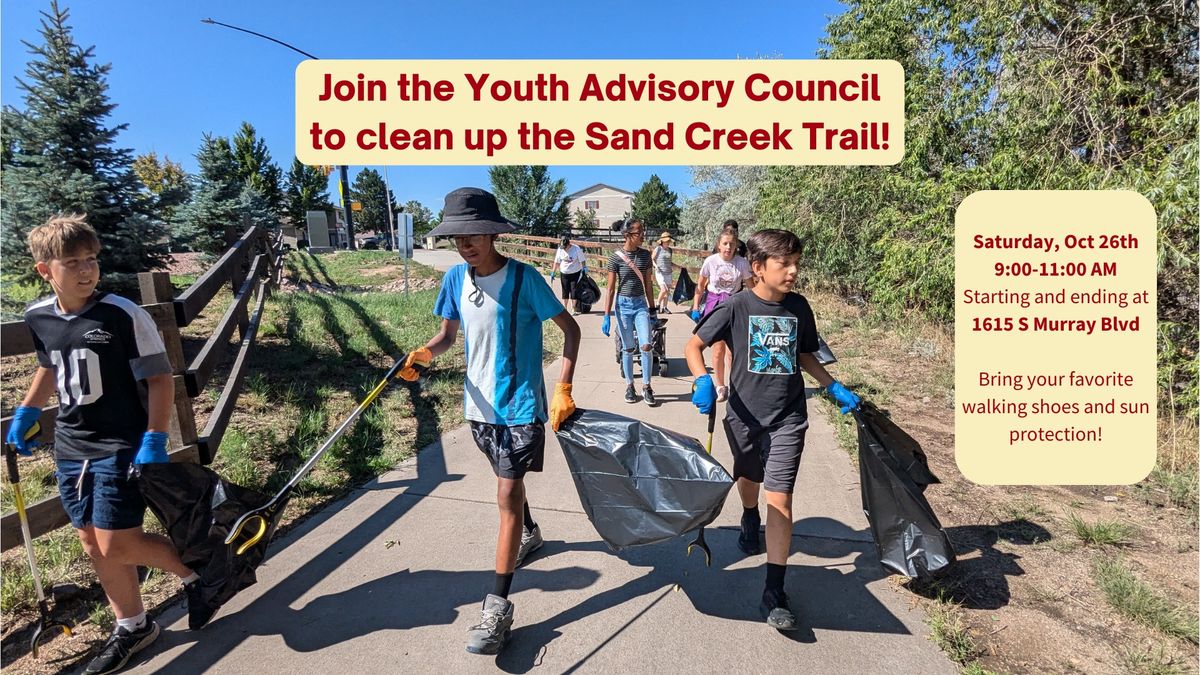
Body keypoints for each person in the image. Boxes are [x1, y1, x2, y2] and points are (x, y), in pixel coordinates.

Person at [6, 214, 214, 675]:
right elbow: (49, 365)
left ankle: (202, 571)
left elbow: (160, 378)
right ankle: (133, 625)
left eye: (91, 260)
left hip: (122, 444)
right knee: (93, 545)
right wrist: (26, 412)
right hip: (71, 446)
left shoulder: (121, 312)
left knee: (116, 543)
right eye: (72, 262)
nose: (86, 271)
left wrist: (155, 437)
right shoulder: (38, 316)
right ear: (45, 270)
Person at [397, 188, 581, 656]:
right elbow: (445, 336)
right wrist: (425, 354)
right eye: (457, 237)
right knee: (510, 488)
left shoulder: (525, 279)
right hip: (478, 408)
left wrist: (562, 387)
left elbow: (571, 330)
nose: (465, 245)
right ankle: (531, 530)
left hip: (520, 406)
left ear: (494, 233)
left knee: (504, 492)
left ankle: (497, 606)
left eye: (474, 234)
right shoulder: (455, 280)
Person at [684, 228, 861, 632]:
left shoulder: (799, 307)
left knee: (779, 500)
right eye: (785, 263)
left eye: (797, 262)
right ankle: (748, 516)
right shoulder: (735, 307)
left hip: (788, 418)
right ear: (759, 267)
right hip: (744, 417)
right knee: (748, 478)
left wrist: (831, 385)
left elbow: (803, 354)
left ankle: (774, 591)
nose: (794, 271)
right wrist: (702, 380)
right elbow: (694, 346)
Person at [690, 227, 752, 402]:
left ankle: (734, 386)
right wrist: (695, 307)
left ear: (736, 246)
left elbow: (752, 287)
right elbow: (700, 286)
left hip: (735, 306)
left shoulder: (742, 263)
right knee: (718, 349)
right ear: (718, 245)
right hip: (715, 305)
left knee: (733, 350)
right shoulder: (711, 262)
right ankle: (720, 386)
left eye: (731, 244)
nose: (728, 247)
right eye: (725, 243)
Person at [601, 218, 657, 405]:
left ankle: (647, 386)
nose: (643, 235)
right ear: (627, 235)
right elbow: (610, 288)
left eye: (643, 231)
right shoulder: (615, 257)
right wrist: (607, 315)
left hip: (640, 305)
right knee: (628, 348)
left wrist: (652, 309)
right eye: (639, 232)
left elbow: (648, 284)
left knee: (646, 345)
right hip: (623, 306)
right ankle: (630, 385)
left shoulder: (645, 255)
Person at [550, 235, 587, 315]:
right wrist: (553, 272)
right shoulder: (560, 249)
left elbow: (582, 260)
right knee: (565, 291)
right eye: (562, 247)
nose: (564, 249)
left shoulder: (576, 249)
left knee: (574, 291)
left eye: (565, 247)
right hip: (564, 273)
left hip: (575, 273)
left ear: (569, 244)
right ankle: (565, 309)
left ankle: (573, 308)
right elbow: (556, 262)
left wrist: (584, 268)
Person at [651, 232, 675, 314]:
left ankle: (664, 307)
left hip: (668, 272)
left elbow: (670, 262)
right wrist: (655, 266)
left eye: (669, 241)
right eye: (666, 241)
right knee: (664, 289)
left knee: (667, 291)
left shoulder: (670, 250)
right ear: (662, 241)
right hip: (660, 272)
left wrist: (678, 267)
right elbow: (652, 259)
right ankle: (657, 305)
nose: (668, 243)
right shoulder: (658, 249)